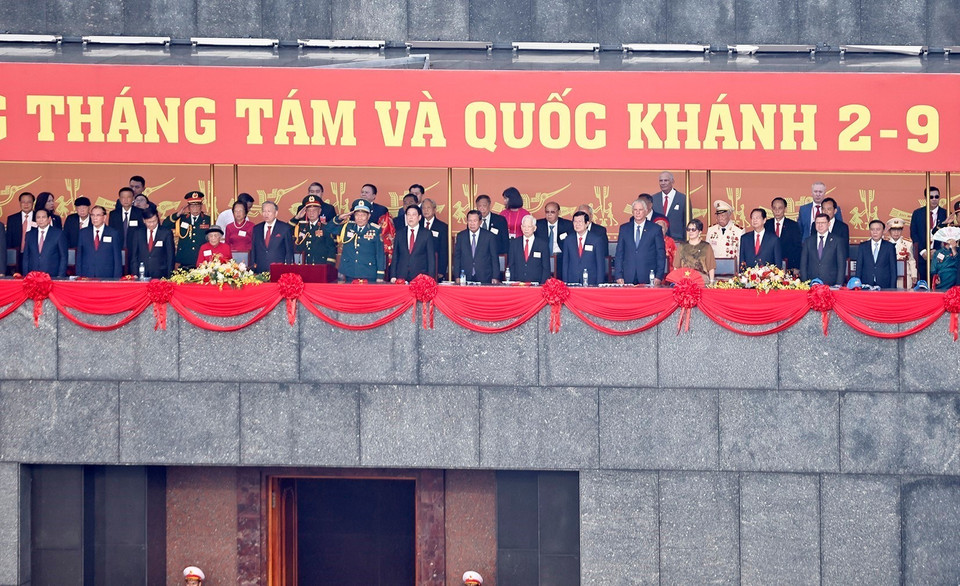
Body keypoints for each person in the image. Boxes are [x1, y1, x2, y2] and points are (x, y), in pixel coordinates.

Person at [614, 198, 665, 285]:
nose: (637, 212)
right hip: (628, 276)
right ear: (632, 212)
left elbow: (660, 254)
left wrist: (659, 276)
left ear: (646, 211)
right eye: (635, 210)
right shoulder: (624, 228)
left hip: (648, 276)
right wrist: (618, 275)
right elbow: (619, 253)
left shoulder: (655, 229)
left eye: (640, 210)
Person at [333, 199, 386, 282]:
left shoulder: (375, 230)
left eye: (363, 215)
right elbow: (328, 229)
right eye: (357, 215)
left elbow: (380, 253)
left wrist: (380, 274)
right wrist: (339, 218)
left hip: (368, 272)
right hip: (349, 272)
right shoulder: (347, 227)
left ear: (368, 216)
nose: (360, 218)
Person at [165, 191, 212, 270]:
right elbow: (165, 225)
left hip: (201, 258)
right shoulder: (182, 219)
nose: (195, 209)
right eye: (193, 206)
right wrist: (177, 214)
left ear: (201, 206)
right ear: (189, 207)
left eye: (197, 206)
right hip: (184, 258)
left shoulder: (208, 219)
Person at [453, 209, 500, 284]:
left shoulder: (489, 236)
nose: (472, 224)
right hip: (465, 276)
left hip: (485, 276)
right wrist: (457, 276)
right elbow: (457, 257)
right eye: (470, 221)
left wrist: (495, 277)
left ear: (480, 222)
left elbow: (494, 258)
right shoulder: (461, 236)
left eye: (475, 221)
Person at [910, 187, 947, 281]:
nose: (934, 199)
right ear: (926, 198)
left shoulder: (946, 214)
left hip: (940, 257)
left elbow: (947, 236)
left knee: (938, 285)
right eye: (931, 197)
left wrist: (937, 251)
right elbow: (914, 233)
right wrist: (923, 252)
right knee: (923, 286)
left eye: (936, 196)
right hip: (922, 257)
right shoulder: (917, 213)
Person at [391, 204, 435, 282]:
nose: (410, 217)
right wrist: (393, 275)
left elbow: (431, 258)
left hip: (420, 276)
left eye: (414, 215)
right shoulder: (400, 233)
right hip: (401, 275)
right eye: (408, 214)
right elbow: (395, 256)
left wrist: (430, 278)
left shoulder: (426, 234)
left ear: (419, 217)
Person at [76, 205, 123, 278]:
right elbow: (79, 256)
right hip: (87, 275)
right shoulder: (83, 233)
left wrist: (116, 278)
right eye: (92, 215)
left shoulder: (113, 233)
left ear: (104, 217)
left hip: (106, 275)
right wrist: (78, 276)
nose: (95, 218)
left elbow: (117, 259)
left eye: (98, 215)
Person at [127, 207, 174, 278]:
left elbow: (170, 256)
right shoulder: (138, 233)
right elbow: (134, 255)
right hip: (142, 273)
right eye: (149, 222)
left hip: (161, 274)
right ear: (144, 221)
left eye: (154, 221)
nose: (152, 224)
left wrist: (169, 275)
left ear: (157, 219)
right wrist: (135, 274)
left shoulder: (166, 233)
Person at [800, 213, 846, 285]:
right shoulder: (808, 241)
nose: (820, 225)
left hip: (831, 284)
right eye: (817, 223)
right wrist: (804, 283)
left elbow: (841, 265)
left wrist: (838, 284)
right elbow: (803, 264)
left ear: (829, 224)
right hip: (811, 283)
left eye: (823, 223)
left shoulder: (837, 240)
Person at [292, 194, 337, 265]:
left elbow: (331, 248)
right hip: (304, 264)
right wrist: (296, 218)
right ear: (305, 212)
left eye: (314, 210)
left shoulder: (326, 227)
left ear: (319, 211)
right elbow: (286, 231)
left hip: (320, 265)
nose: (311, 213)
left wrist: (329, 266)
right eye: (309, 211)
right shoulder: (301, 227)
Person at [250, 201, 294, 273]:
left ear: (276, 213)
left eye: (269, 211)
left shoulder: (285, 228)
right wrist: (253, 267)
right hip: (260, 269)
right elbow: (253, 250)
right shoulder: (256, 228)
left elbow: (289, 251)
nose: (266, 214)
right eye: (264, 211)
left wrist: (288, 269)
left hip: (279, 269)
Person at [564, 210, 607, 285]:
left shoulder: (596, 239)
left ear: (587, 223)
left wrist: (599, 283)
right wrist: (565, 282)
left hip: (591, 281)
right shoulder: (568, 239)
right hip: (572, 281)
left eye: (580, 221)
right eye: (575, 222)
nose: (577, 224)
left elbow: (600, 264)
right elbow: (565, 263)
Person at [22, 208, 68, 277]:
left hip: (52, 275)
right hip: (33, 275)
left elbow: (63, 257)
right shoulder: (29, 235)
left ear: (49, 219)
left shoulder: (58, 234)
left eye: (43, 217)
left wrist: (60, 276)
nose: (41, 220)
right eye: (38, 217)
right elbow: (26, 257)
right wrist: (26, 275)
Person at [856, 219, 898, 289]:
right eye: (872, 229)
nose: (875, 232)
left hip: (884, 285)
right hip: (866, 284)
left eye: (878, 229)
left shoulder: (889, 247)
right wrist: (857, 286)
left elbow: (893, 270)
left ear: (883, 231)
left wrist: (892, 288)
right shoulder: (863, 246)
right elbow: (859, 268)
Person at [508, 215, 550, 283]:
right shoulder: (514, 243)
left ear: (535, 228)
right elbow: (511, 265)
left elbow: (546, 268)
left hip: (536, 284)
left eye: (529, 226)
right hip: (518, 283)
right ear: (521, 227)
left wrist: (542, 285)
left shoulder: (542, 244)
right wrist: (512, 282)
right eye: (524, 226)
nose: (526, 229)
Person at [674, 219, 716, 284]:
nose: (690, 232)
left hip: (702, 280)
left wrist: (711, 282)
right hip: (684, 280)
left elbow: (711, 267)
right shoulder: (682, 246)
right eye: (688, 229)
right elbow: (676, 267)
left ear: (700, 231)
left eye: (693, 229)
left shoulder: (706, 246)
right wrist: (675, 281)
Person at [765, 197, 802, 270]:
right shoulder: (766, 224)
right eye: (774, 208)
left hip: (788, 266)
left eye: (780, 208)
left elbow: (797, 248)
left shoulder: (793, 225)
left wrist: (796, 267)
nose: (777, 211)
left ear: (785, 209)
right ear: (771, 209)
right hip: (769, 266)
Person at [652, 171, 687, 241]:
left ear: (672, 181)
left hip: (677, 240)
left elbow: (687, 221)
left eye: (666, 180)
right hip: (657, 239)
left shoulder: (683, 198)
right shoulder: (653, 198)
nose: (663, 183)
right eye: (661, 181)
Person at [6, 191, 36, 273]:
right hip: (17, 254)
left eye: (29, 202)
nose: (26, 204)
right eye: (23, 202)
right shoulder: (12, 219)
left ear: (33, 203)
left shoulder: (39, 217)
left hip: (34, 255)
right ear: (20, 203)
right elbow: (9, 239)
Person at [421, 198, 448, 280]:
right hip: (419, 266)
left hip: (435, 267)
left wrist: (441, 270)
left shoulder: (442, 227)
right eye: (423, 208)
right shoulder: (417, 225)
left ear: (434, 209)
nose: (426, 210)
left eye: (428, 208)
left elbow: (444, 250)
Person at [886, 217, 916, 289]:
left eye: (898, 230)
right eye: (893, 230)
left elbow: (911, 260)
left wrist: (914, 275)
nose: (896, 233)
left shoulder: (908, 244)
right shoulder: (885, 244)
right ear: (889, 231)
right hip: (888, 275)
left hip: (905, 277)